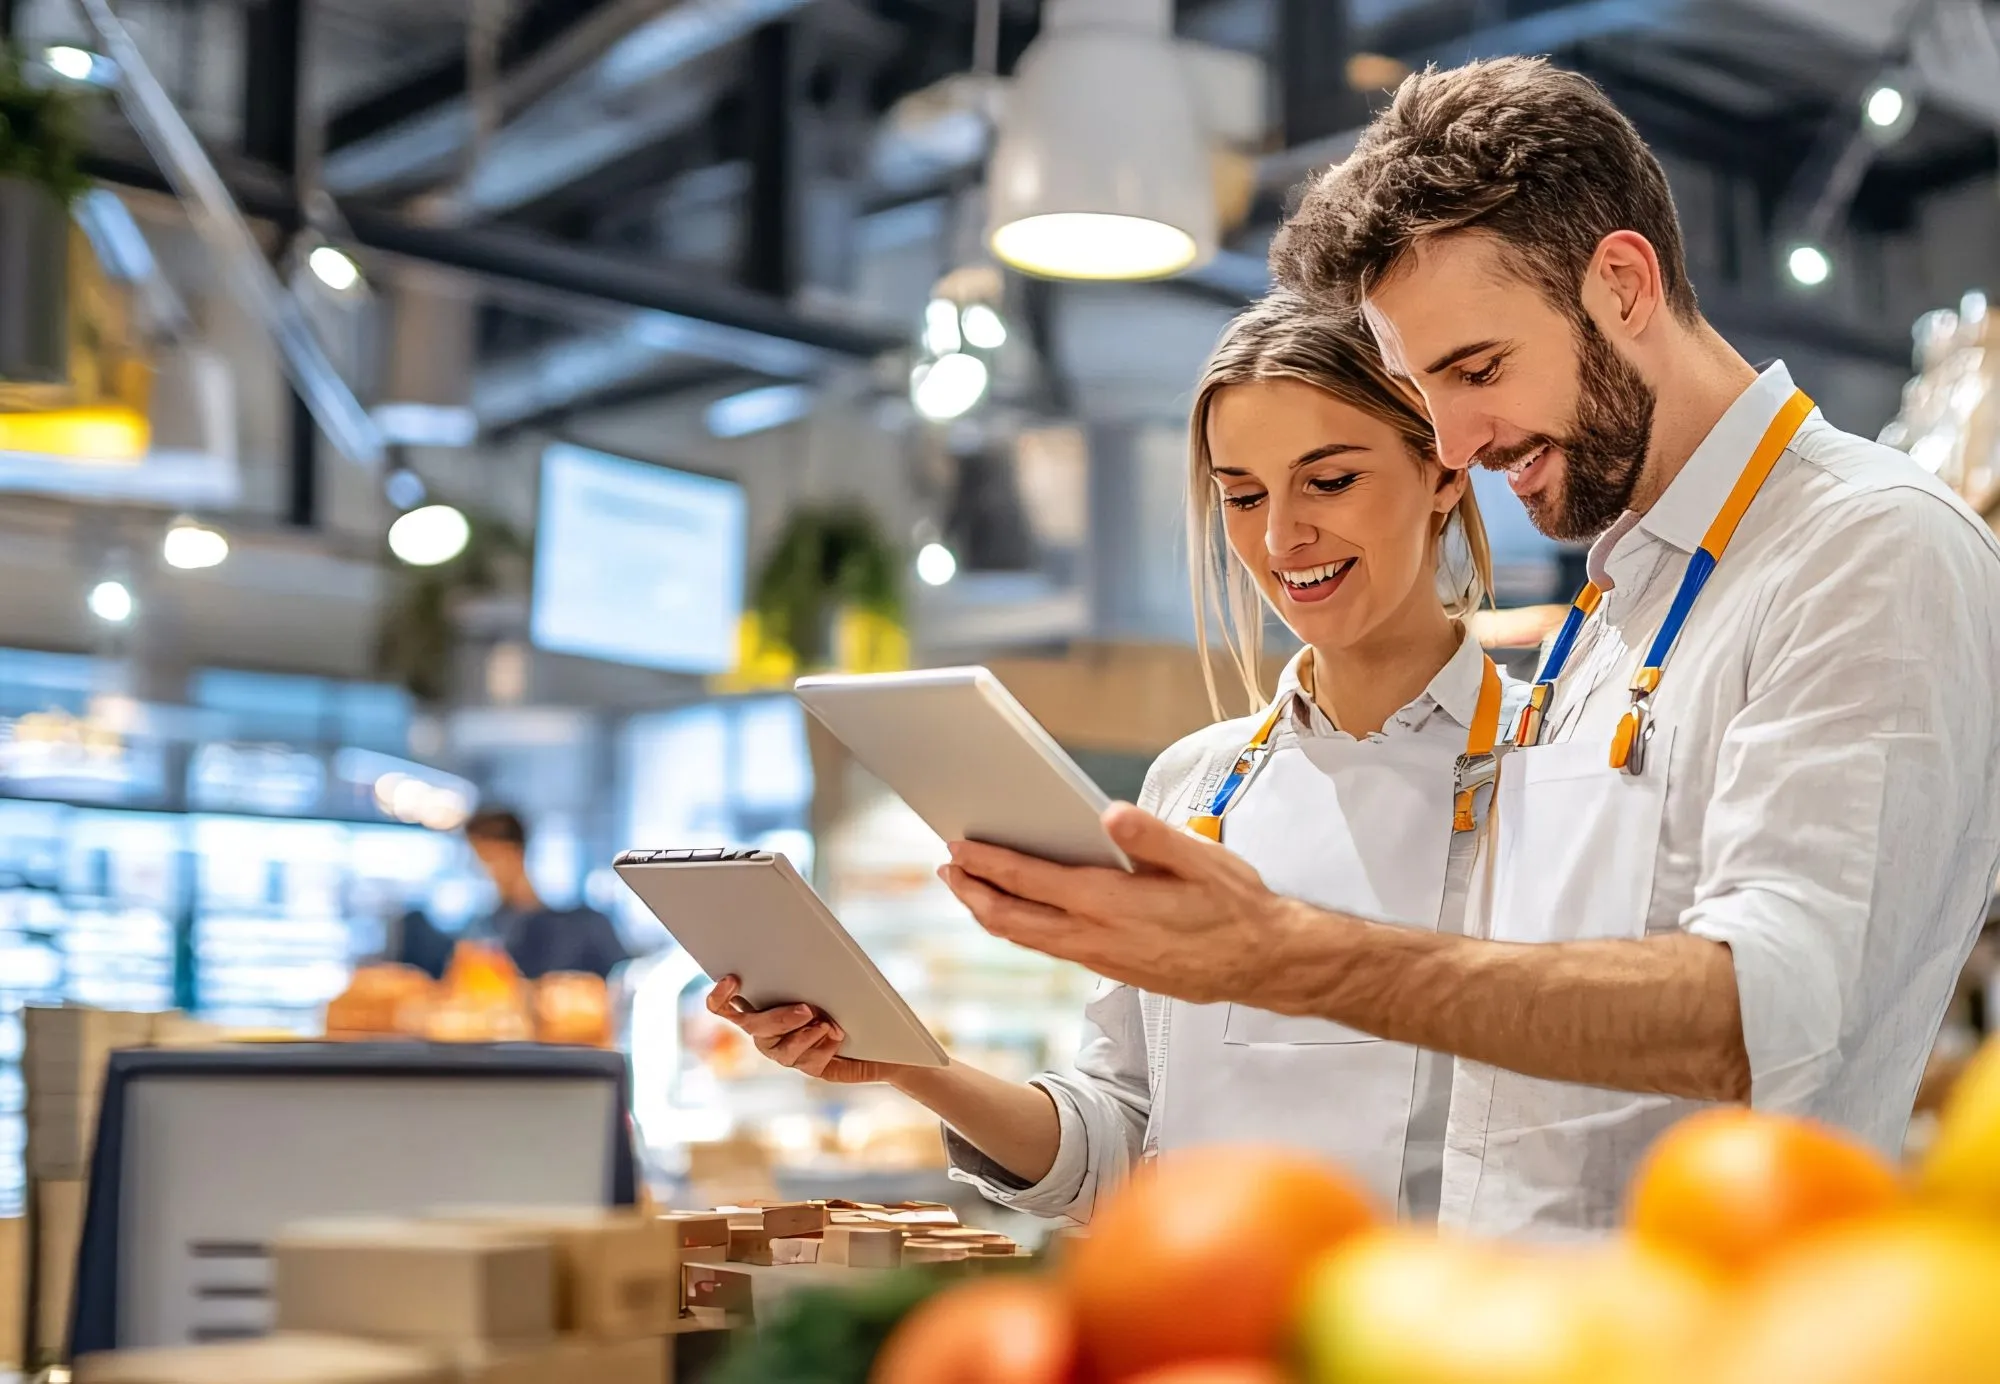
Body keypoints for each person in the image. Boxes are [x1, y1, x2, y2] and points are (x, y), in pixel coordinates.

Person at [934, 56, 2000, 1236]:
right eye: (1418, 388)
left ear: (1623, 283)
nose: (1457, 442)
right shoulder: (1607, 613)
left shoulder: (1869, 547)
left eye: (1474, 370)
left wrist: (1279, 955)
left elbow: (1761, 1019)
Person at [707, 294, 1527, 1221]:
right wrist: (908, 1064)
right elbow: (1122, 1143)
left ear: (1444, 470)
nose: (1278, 539)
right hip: (1196, 1335)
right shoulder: (1194, 783)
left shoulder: (1552, 763)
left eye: (1330, 481)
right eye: (1244, 496)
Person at [464, 809, 629, 980]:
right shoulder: (484, 928)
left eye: (487, 857)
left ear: (513, 851)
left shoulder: (585, 928)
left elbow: (623, 979)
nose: (481, 869)